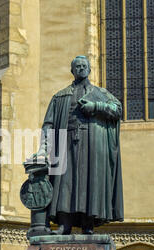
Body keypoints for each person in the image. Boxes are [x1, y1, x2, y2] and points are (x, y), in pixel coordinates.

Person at [34, 55, 124, 235]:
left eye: (84, 66)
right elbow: (48, 125)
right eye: (77, 66)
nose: (81, 68)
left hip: (92, 144)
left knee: (90, 182)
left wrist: (96, 106)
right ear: (72, 71)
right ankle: (64, 225)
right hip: (66, 144)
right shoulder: (60, 96)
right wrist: (43, 148)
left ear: (89, 70)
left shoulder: (102, 94)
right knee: (65, 183)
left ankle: (88, 224)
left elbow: (117, 109)